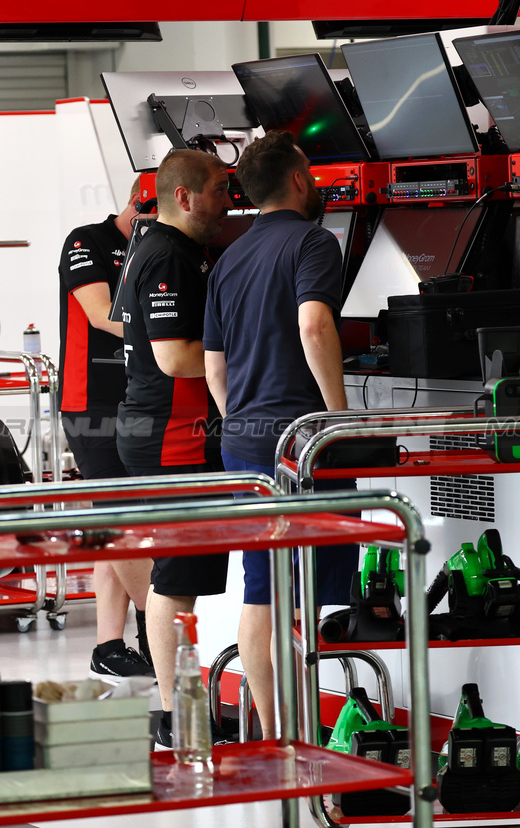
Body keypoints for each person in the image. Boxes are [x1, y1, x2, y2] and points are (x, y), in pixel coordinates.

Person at [203, 129, 357, 739]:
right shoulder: (315, 241)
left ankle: (275, 735)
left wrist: (241, 417)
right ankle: (306, 735)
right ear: (298, 179)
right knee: (306, 595)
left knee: (261, 588)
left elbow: (215, 366)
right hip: (302, 439)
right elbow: (315, 326)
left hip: (243, 438)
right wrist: (339, 418)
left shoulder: (230, 256)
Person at [114, 149, 232, 746]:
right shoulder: (168, 255)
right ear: (183, 196)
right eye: (217, 187)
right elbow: (173, 356)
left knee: (178, 576)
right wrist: (252, 356)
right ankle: (176, 715)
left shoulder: (155, 244)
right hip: (171, 434)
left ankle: (176, 710)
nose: (228, 198)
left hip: (161, 428)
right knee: (175, 579)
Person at [58, 177, 155, 680]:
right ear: (144, 204)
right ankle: (158, 631)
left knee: (117, 520)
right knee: (118, 519)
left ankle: (109, 645)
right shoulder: (86, 241)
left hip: (140, 397)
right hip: (90, 401)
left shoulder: (161, 245)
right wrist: (167, 330)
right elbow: (99, 314)